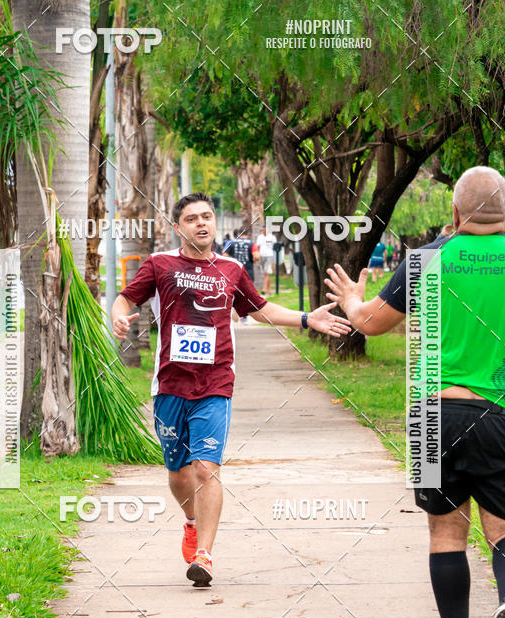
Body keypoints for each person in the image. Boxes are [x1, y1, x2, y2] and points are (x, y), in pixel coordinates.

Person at [324, 166, 505, 618]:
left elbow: (368, 324)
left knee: (446, 531)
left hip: (434, 418)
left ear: (454, 213)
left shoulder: (426, 260)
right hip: (501, 414)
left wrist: (351, 300)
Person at [111, 193, 352, 588]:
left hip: (215, 383)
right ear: (178, 228)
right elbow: (126, 298)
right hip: (170, 384)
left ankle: (204, 556)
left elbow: (261, 309)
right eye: (192, 218)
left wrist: (307, 318)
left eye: (207, 216)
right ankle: (191, 522)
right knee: (178, 474)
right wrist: (119, 317)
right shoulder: (160, 264)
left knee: (206, 468)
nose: (201, 223)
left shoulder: (232, 269)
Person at [256, 228, 276, 295]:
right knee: (265, 273)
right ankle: (269, 289)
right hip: (262, 256)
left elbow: (274, 246)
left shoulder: (272, 237)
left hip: (269, 255)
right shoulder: (260, 237)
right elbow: (258, 246)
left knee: (266, 272)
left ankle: (264, 289)